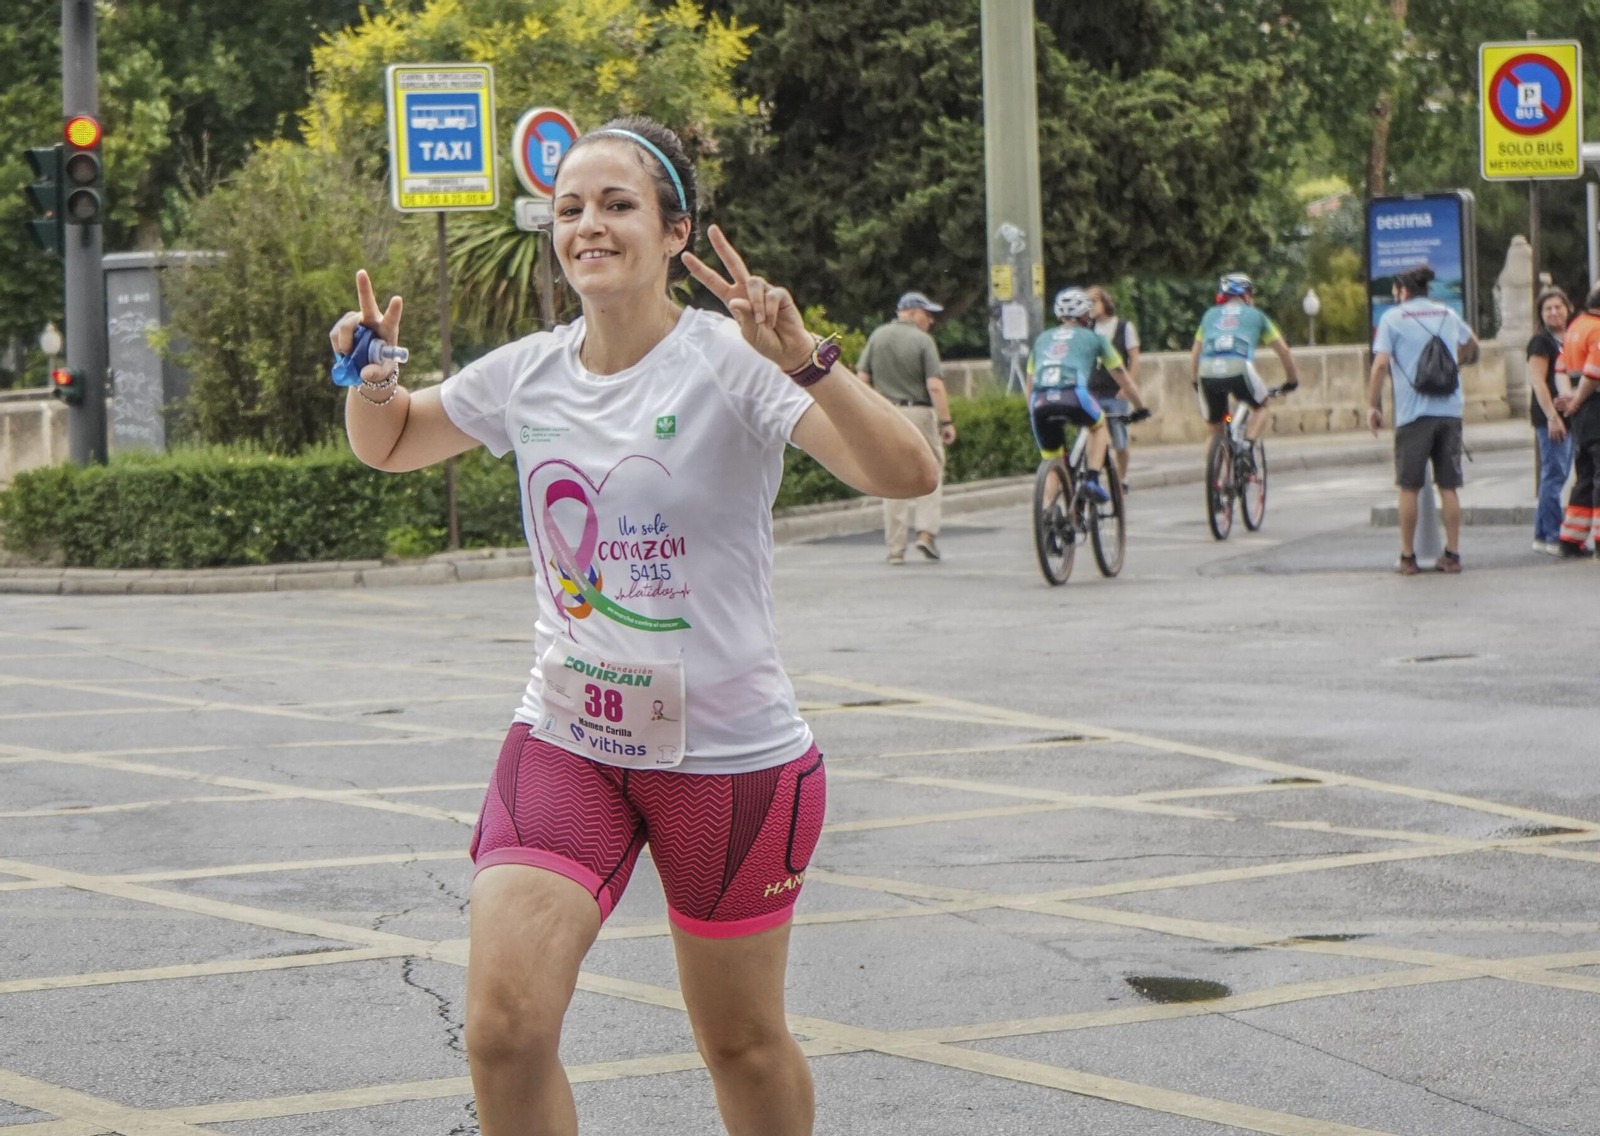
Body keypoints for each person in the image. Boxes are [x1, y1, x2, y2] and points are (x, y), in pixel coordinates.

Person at [330, 116, 938, 1136]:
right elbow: (389, 443)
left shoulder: (732, 362)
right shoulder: (527, 371)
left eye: (617, 206)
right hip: (568, 736)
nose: (589, 226)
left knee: (739, 1044)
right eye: (570, 208)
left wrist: (806, 359)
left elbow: (908, 473)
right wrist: (373, 379)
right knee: (502, 1026)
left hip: (732, 761)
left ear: (674, 233)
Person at [1366, 264, 1480, 575]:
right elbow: (1472, 342)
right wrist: (1455, 360)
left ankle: (1408, 557)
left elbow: (1379, 366)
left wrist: (1372, 406)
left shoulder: (1392, 318)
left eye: (1395, 292)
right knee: (1449, 486)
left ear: (1403, 291)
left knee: (1409, 487)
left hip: (1413, 413)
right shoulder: (1445, 313)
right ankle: (1453, 554)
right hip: (1450, 411)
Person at [856, 292, 954, 563]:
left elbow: (861, 378)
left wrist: (869, 411)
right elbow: (935, 385)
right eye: (927, 313)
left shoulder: (877, 336)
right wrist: (946, 421)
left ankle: (895, 548)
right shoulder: (923, 341)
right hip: (919, 413)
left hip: (886, 413)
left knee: (890, 477)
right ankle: (925, 534)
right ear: (912, 312)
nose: (931, 320)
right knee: (931, 469)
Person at [1028, 288, 1148, 503]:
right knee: (1099, 425)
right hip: (1073, 395)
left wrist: (1032, 409)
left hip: (1040, 401)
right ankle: (1092, 480)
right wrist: (1140, 407)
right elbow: (1124, 379)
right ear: (1086, 315)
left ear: (1058, 315)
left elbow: (1030, 384)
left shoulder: (1041, 340)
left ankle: (1048, 512)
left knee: (1054, 461)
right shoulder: (1095, 339)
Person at [1191, 273, 1301, 450]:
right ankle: (1248, 446)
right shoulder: (1256, 316)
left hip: (1207, 370)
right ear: (1246, 295)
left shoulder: (1209, 315)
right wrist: (1291, 381)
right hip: (1239, 367)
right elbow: (1284, 351)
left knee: (1215, 429)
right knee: (1261, 405)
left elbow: (1195, 353)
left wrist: (1195, 382)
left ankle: (1213, 477)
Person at [1527, 286, 1575, 554]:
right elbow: (1537, 381)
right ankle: (1551, 534)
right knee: (1554, 475)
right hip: (1551, 417)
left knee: (1560, 473)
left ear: (1568, 309)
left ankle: (1542, 532)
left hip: (1569, 415)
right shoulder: (1541, 342)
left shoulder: (1569, 338)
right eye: (1548, 308)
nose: (1554, 312)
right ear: (1540, 314)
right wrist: (1552, 417)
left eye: (1558, 307)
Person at [1554, 282, 1600, 557]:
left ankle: (1570, 539)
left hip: (1581, 412)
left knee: (1584, 474)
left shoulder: (1576, 326)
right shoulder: (1597, 328)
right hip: (1594, 405)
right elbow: (1594, 373)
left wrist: (1569, 399)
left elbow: (1561, 367)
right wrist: (1579, 399)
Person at [1087, 285, 1141, 487]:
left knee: (1119, 440)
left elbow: (1134, 358)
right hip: (1093, 391)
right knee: (1092, 437)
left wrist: (1128, 386)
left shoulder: (1124, 327)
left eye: (1093, 301)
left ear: (1104, 302)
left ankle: (1122, 477)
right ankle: (1094, 476)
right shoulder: (1088, 330)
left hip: (1115, 392)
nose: (1090, 307)